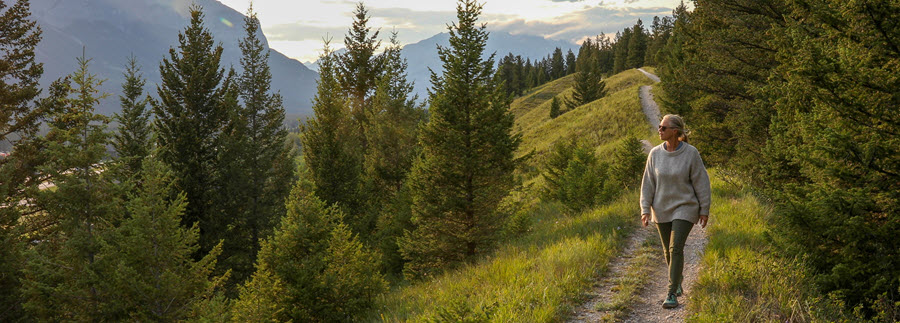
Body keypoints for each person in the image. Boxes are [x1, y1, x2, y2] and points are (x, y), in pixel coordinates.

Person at [639, 114, 711, 309]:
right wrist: (645, 209)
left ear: (675, 131)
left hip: (685, 207)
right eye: (660, 127)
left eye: (663, 127)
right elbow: (648, 184)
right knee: (667, 251)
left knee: (675, 248)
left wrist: (704, 209)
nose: (659, 130)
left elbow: (701, 182)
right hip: (661, 208)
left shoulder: (691, 153)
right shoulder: (654, 153)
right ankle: (677, 279)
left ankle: (671, 293)